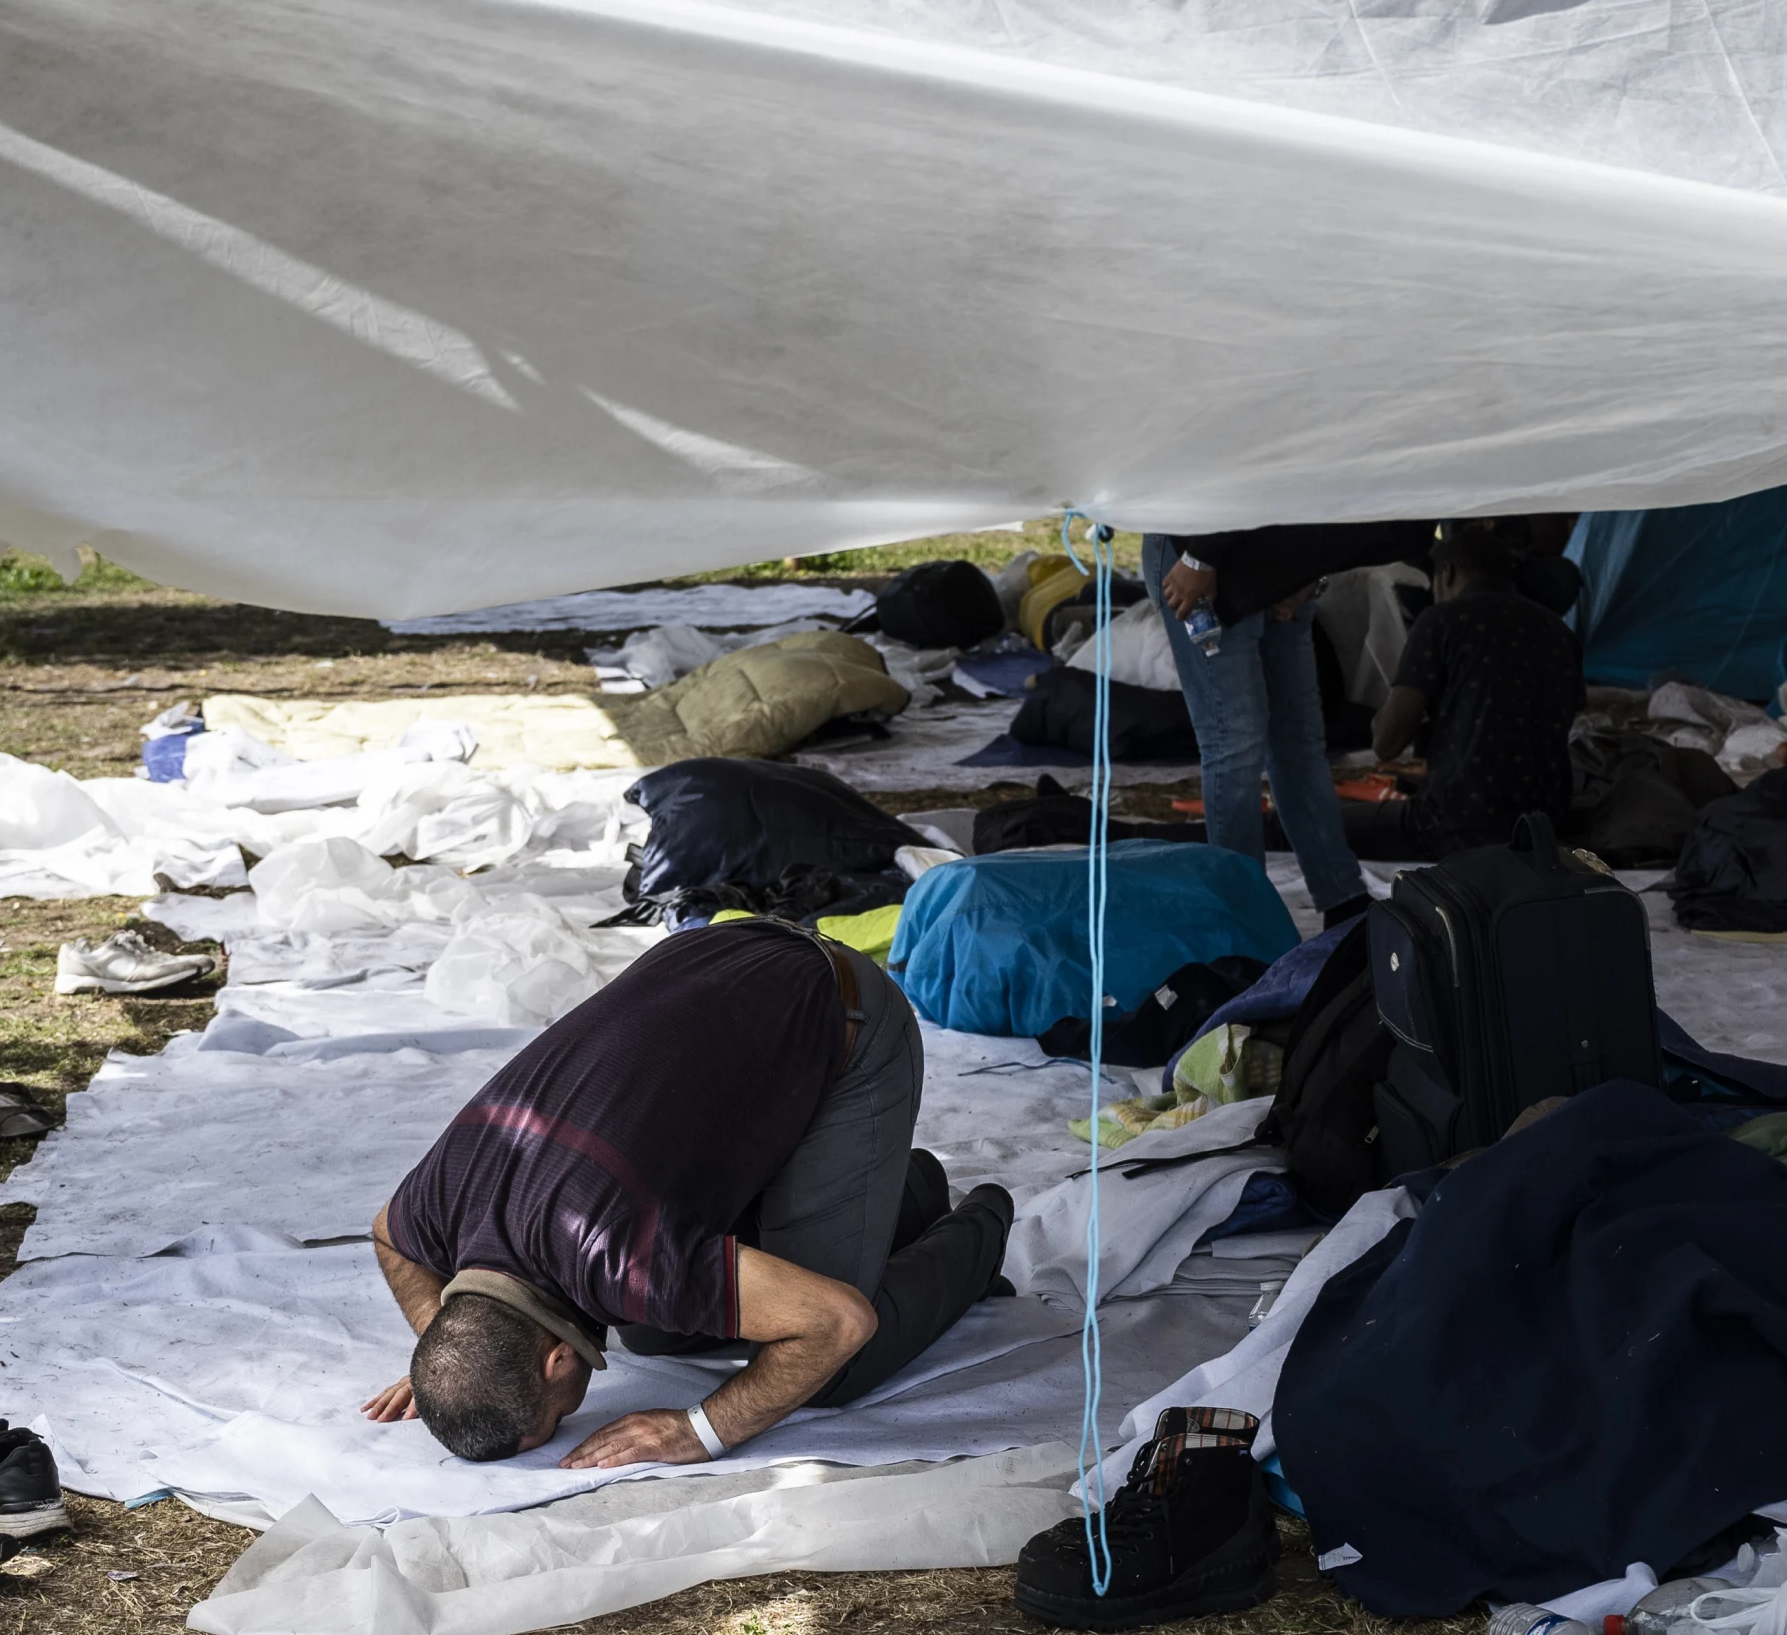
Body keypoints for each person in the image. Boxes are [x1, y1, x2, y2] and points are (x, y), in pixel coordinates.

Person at [363, 919, 1014, 1466]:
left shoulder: (622, 1259)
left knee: (833, 1367)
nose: (569, 1423)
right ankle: (907, 1190)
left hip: (839, 1005)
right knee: (651, 1330)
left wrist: (700, 1429)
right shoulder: (443, 1204)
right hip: (711, 960)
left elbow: (840, 1322)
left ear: (557, 1360)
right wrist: (450, 1352)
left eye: (556, 1420)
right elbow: (388, 1234)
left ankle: (981, 1229)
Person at [1149, 520, 1430, 923]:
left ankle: (1341, 895)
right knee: (1235, 740)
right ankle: (1241, 915)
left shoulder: (1395, 510)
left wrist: (1309, 573)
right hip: (1199, 545)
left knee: (1298, 738)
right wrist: (1199, 555)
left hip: (1274, 550)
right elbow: (1226, 465)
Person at [1372, 518, 1584, 851]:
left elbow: (1386, 745)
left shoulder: (1440, 622)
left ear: (1448, 573)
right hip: (1544, 823)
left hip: (1458, 821)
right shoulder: (1559, 632)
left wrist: (1385, 718)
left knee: (1313, 824)